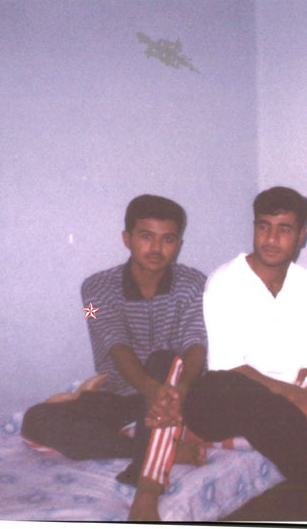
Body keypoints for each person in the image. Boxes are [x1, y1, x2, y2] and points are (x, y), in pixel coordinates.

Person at [128, 186, 307, 521]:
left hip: (285, 404)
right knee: (232, 387)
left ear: (301, 237)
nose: (271, 239)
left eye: (284, 230)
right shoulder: (224, 281)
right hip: (225, 397)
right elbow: (227, 364)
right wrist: (297, 396)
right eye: (263, 227)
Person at [21, 195, 208, 498]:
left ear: (179, 243)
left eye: (168, 239)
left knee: (163, 358)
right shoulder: (93, 290)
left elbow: (195, 342)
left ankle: (146, 464)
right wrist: (150, 391)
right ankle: (156, 449)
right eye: (146, 236)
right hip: (121, 398)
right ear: (127, 238)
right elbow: (113, 343)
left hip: (176, 394)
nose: (156, 248)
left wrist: (181, 390)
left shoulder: (196, 284)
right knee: (36, 420)